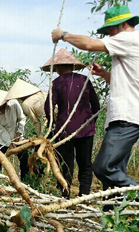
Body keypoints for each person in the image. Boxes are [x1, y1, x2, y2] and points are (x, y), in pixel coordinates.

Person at [51, 5, 139, 202]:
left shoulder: (129, 38)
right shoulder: (135, 45)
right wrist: (106, 74)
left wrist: (63, 35)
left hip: (127, 117)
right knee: (112, 176)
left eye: (111, 31)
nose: (109, 36)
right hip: (129, 117)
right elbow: (127, 82)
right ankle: (111, 223)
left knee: (103, 167)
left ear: (123, 25)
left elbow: (89, 44)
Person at [42, 48, 100, 198]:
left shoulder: (56, 83)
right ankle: (84, 196)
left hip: (64, 131)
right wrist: (90, 123)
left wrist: (53, 123)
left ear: (58, 67)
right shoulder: (84, 81)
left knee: (66, 165)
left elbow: (48, 107)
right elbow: (96, 106)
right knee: (85, 164)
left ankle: (65, 195)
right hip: (85, 130)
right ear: (73, 66)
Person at [0, 87, 29, 181]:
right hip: (2, 139)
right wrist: (10, 144)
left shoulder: (14, 104)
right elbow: (0, 130)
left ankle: (26, 180)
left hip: (17, 136)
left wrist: (18, 134)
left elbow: (22, 118)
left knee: (24, 158)